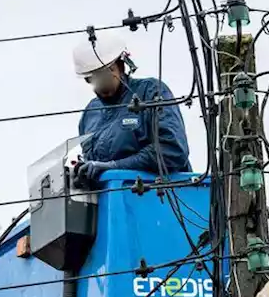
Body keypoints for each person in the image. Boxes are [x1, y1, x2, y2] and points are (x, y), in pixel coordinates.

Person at [71, 34, 191, 188]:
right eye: (93, 78)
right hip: (112, 205)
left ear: (121, 66)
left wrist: (114, 166)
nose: (101, 84)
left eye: (106, 74)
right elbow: (92, 162)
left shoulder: (150, 92)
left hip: (159, 200)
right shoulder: (91, 113)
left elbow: (172, 150)